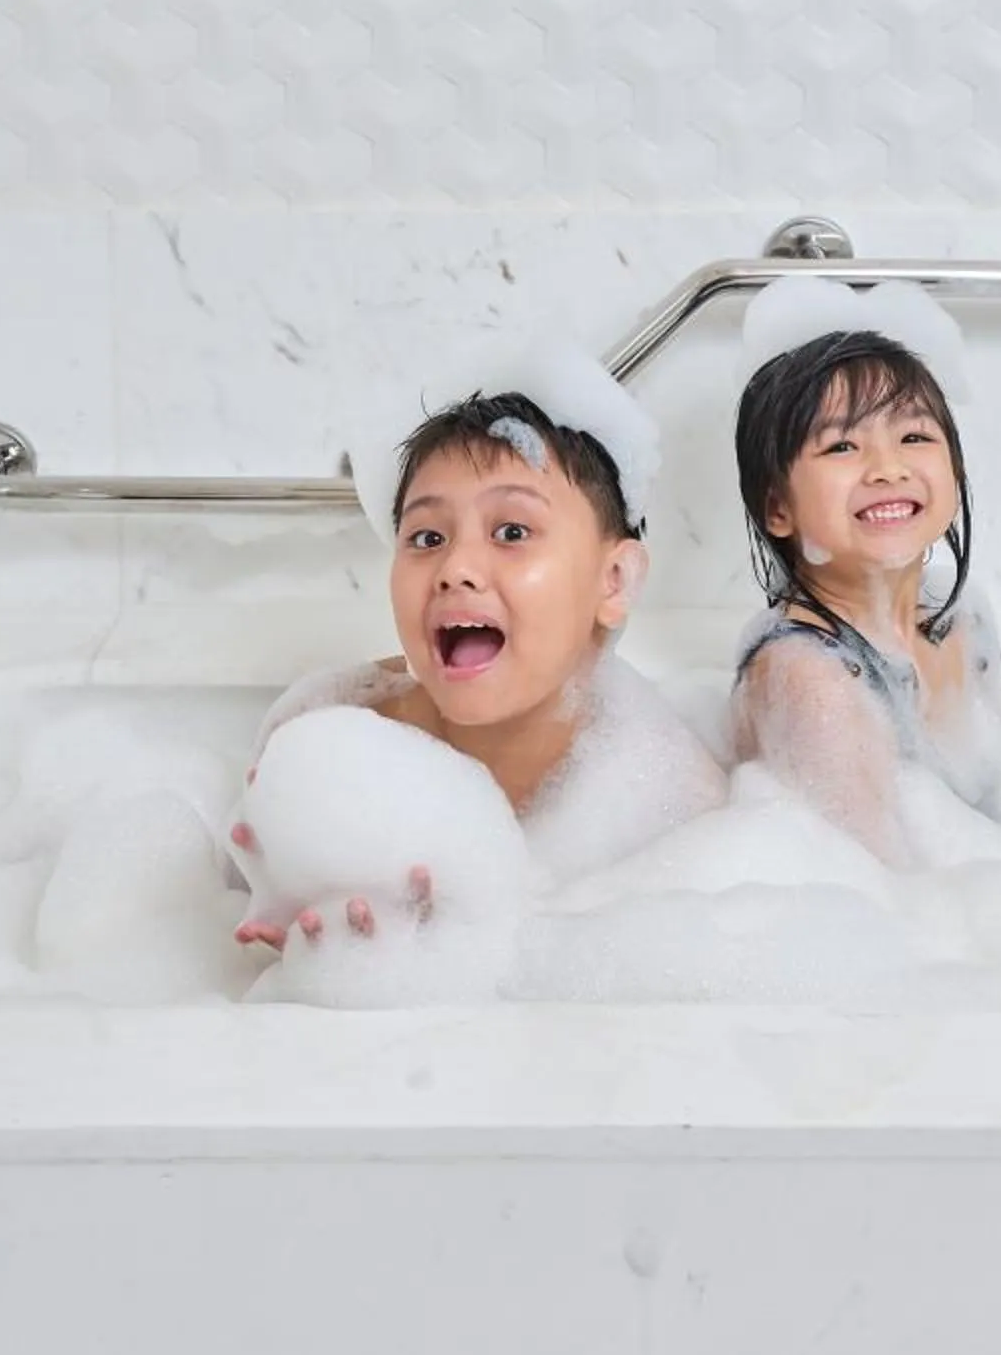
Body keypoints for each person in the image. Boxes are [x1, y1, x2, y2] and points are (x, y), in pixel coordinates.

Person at [232, 347, 724, 953]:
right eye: (427, 536)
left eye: (512, 532)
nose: (456, 568)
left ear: (614, 582)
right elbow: (236, 926)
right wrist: (283, 919)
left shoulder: (671, 799)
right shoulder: (327, 743)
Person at [731, 280, 1001, 864]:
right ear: (777, 508)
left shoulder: (958, 621)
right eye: (842, 447)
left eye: (914, 436)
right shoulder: (809, 673)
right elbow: (872, 890)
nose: (887, 468)